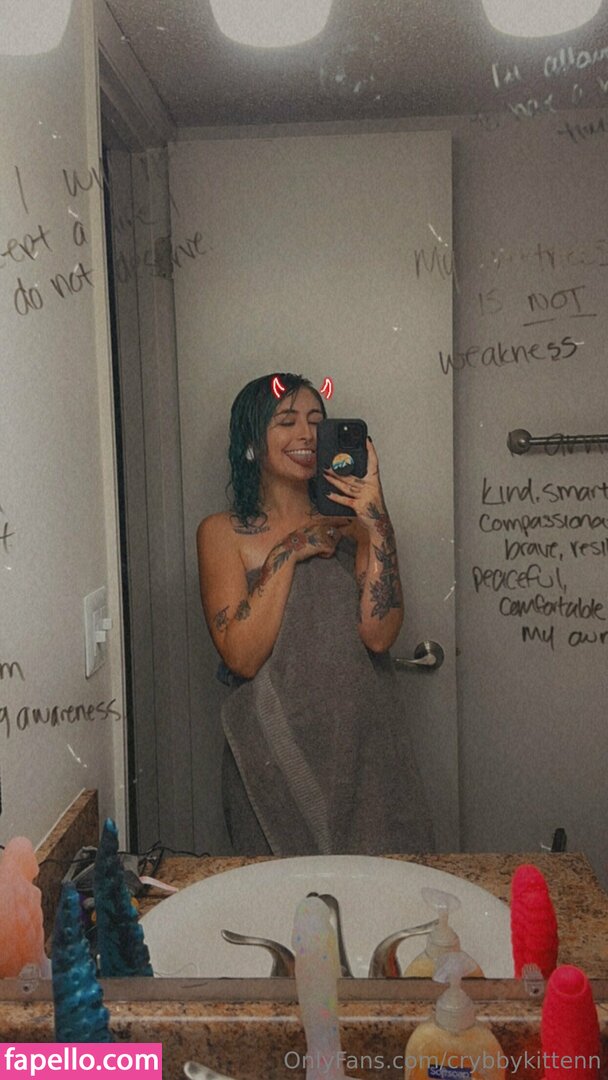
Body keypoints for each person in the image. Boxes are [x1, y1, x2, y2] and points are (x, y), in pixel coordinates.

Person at [197, 372, 434, 856]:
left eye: (315, 420)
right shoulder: (222, 533)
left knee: (382, 888)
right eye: (286, 421)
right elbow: (241, 657)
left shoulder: (355, 526)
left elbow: (380, 635)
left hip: (365, 748)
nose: (306, 434)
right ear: (251, 442)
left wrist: (377, 520)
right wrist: (291, 550)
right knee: (283, 891)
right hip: (273, 752)